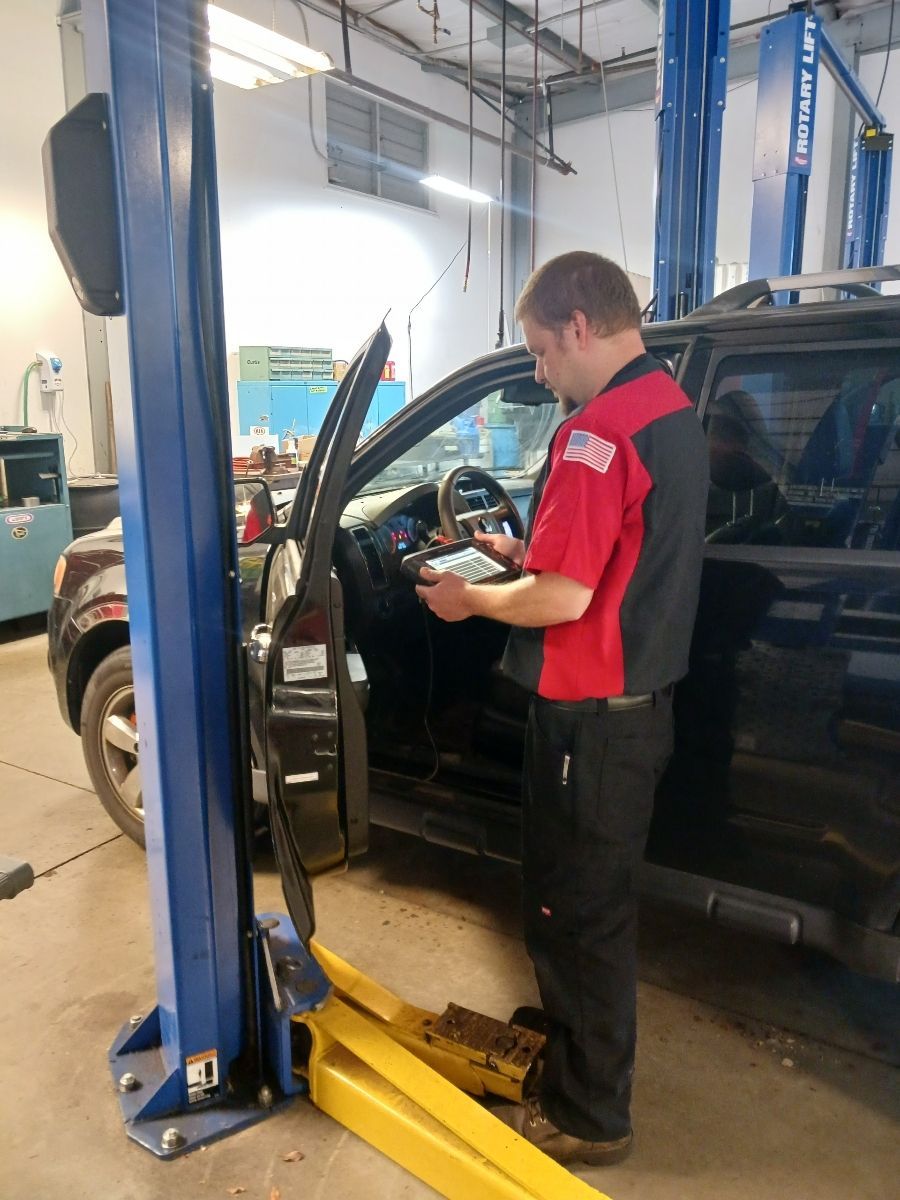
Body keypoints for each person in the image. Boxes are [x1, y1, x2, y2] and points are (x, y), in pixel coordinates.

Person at [416, 251, 708, 1167]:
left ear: (580, 326)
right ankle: (575, 1049)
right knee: (584, 902)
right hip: (636, 712)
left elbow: (565, 599)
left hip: (591, 721)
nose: (541, 373)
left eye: (542, 352)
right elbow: (615, 556)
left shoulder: (596, 434)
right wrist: (522, 551)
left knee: (578, 916)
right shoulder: (668, 407)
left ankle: (589, 1115)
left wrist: (471, 597)